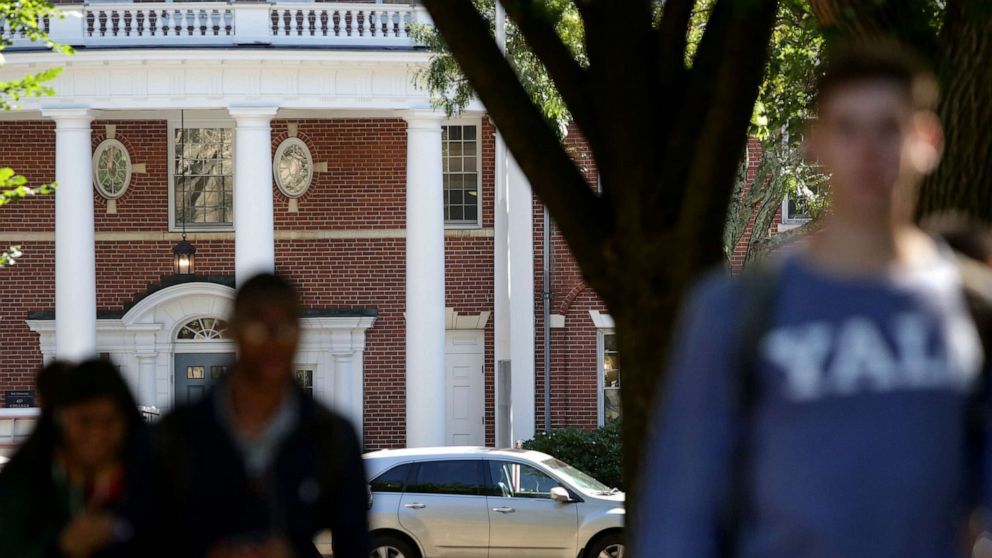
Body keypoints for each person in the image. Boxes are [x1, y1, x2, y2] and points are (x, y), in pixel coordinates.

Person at [635, 42, 989, 558]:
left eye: (888, 127)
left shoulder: (975, 311)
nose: (868, 151)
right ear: (815, 143)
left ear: (926, 140)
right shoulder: (733, 311)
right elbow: (680, 514)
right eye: (847, 128)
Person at [150, 273, 370, 558]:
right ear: (233, 330)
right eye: (257, 326)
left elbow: (354, 544)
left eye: (286, 328)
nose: (273, 341)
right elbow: (147, 537)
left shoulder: (331, 435)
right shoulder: (177, 433)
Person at [0, 359, 152, 558]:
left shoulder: (154, 477)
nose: (97, 434)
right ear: (62, 421)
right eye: (84, 421)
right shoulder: (25, 483)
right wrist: (61, 548)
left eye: (109, 421)